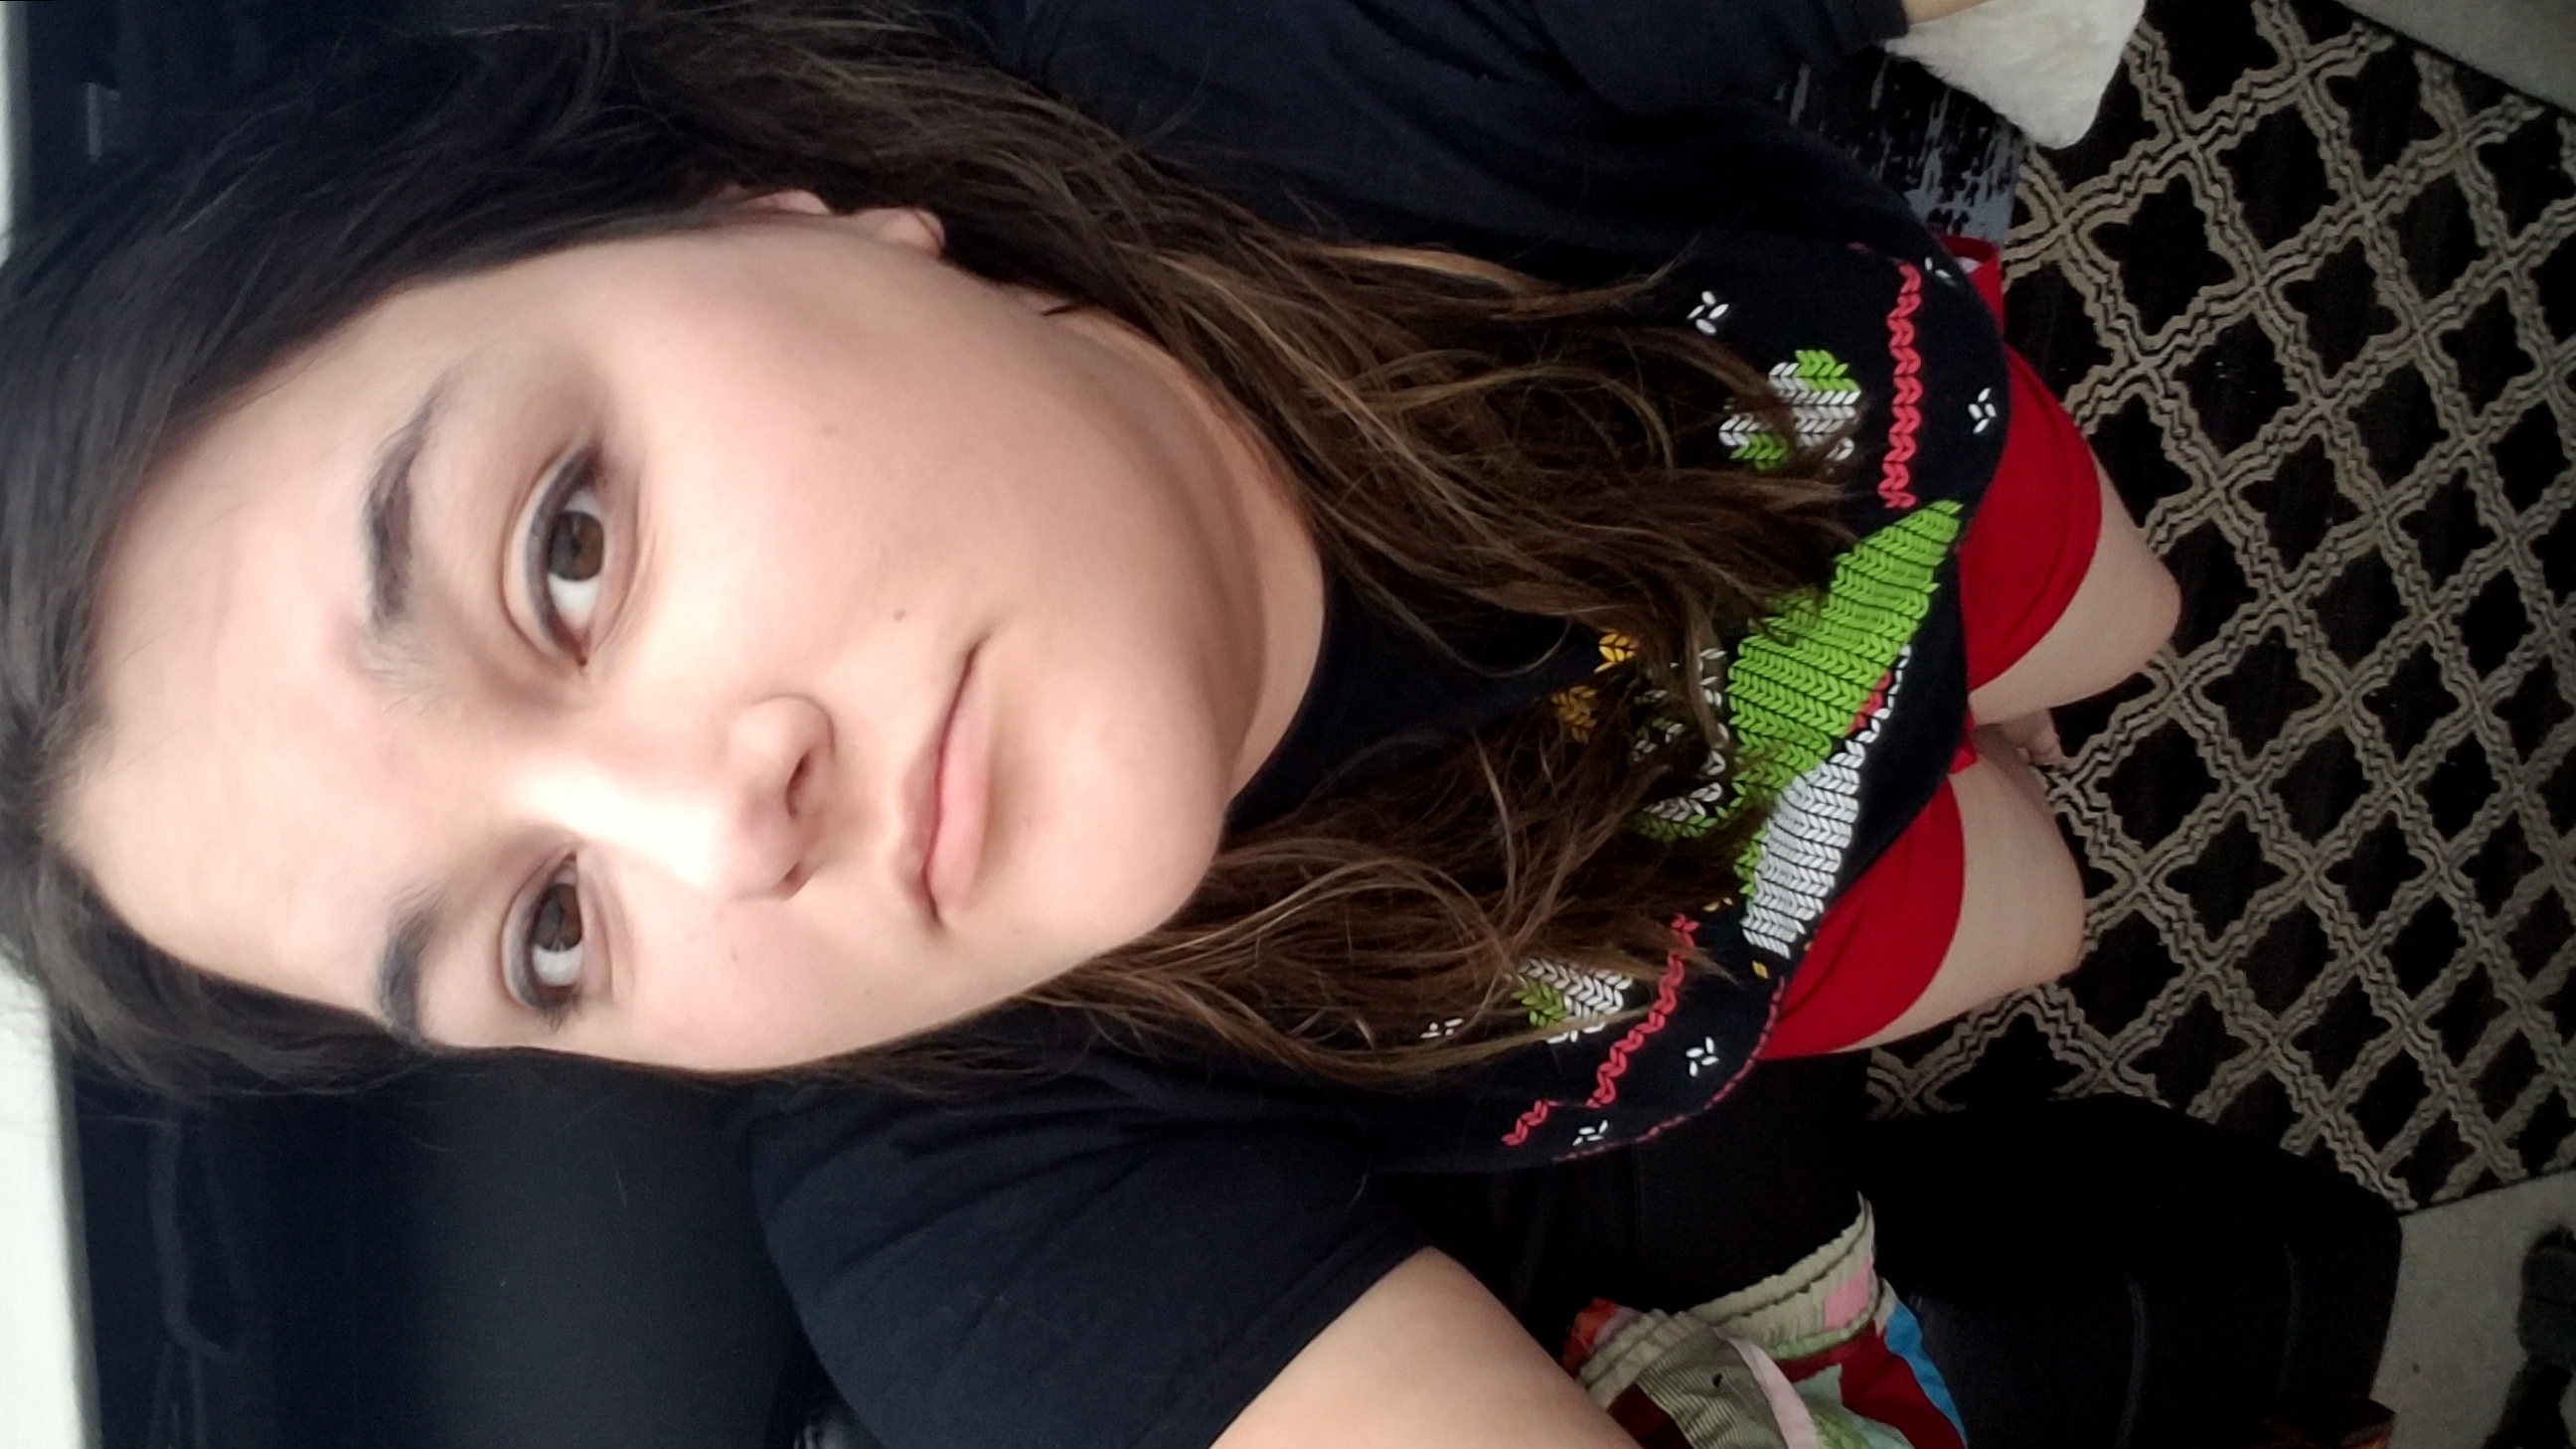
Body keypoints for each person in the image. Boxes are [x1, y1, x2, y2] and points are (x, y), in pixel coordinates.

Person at [0, 2, 2178, 1444]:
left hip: (1880, 458)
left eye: (566, 547)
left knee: (2126, 627)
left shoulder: (1286, 46)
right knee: (2057, 913)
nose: (714, 834)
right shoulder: (964, 1196)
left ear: (759, 209)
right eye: (547, 930)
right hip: (1755, 923)